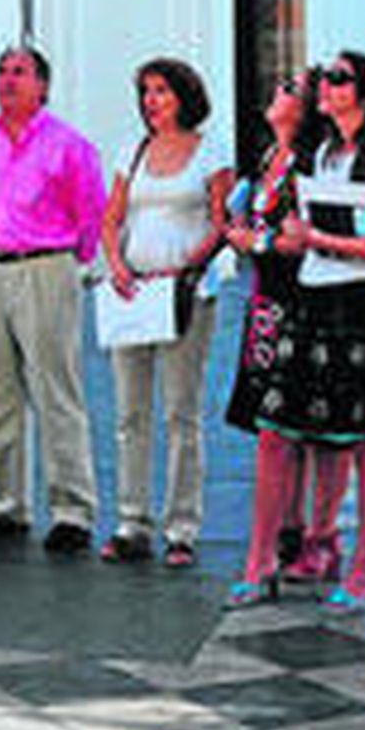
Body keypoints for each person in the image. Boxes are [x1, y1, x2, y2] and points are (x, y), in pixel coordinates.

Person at [270, 50, 365, 611]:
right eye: (324, 79)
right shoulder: (324, 153)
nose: (326, 87)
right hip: (316, 299)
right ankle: (324, 543)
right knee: (322, 434)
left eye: (339, 78)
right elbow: (302, 233)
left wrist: (320, 240)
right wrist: (283, 239)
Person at [0, 44, 105, 554]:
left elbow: (91, 210)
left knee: (56, 389)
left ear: (42, 85)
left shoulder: (68, 145)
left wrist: (70, 262)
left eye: (19, 72)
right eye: (0, 71)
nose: (6, 80)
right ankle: (7, 503)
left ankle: (72, 509)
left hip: (45, 267)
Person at [98, 56, 229, 569]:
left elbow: (222, 222)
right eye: (147, 92)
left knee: (181, 411)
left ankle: (182, 526)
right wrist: (118, 267)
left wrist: (185, 266)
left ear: (185, 97)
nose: (152, 101)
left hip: (185, 295)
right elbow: (111, 220)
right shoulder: (132, 152)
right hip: (135, 295)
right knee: (129, 412)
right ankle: (132, 521)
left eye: (162, 91)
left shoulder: (209, 151)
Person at [222, 65, 330, 605]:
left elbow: (302, 239)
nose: (276, 93)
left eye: (288, 90)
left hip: (297, 305)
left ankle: (274, 550)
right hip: (266, 305)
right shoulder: (271, 158)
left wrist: (252, 242)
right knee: (280, 428)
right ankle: (292, 530)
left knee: (285, 430)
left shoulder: (308, 165)